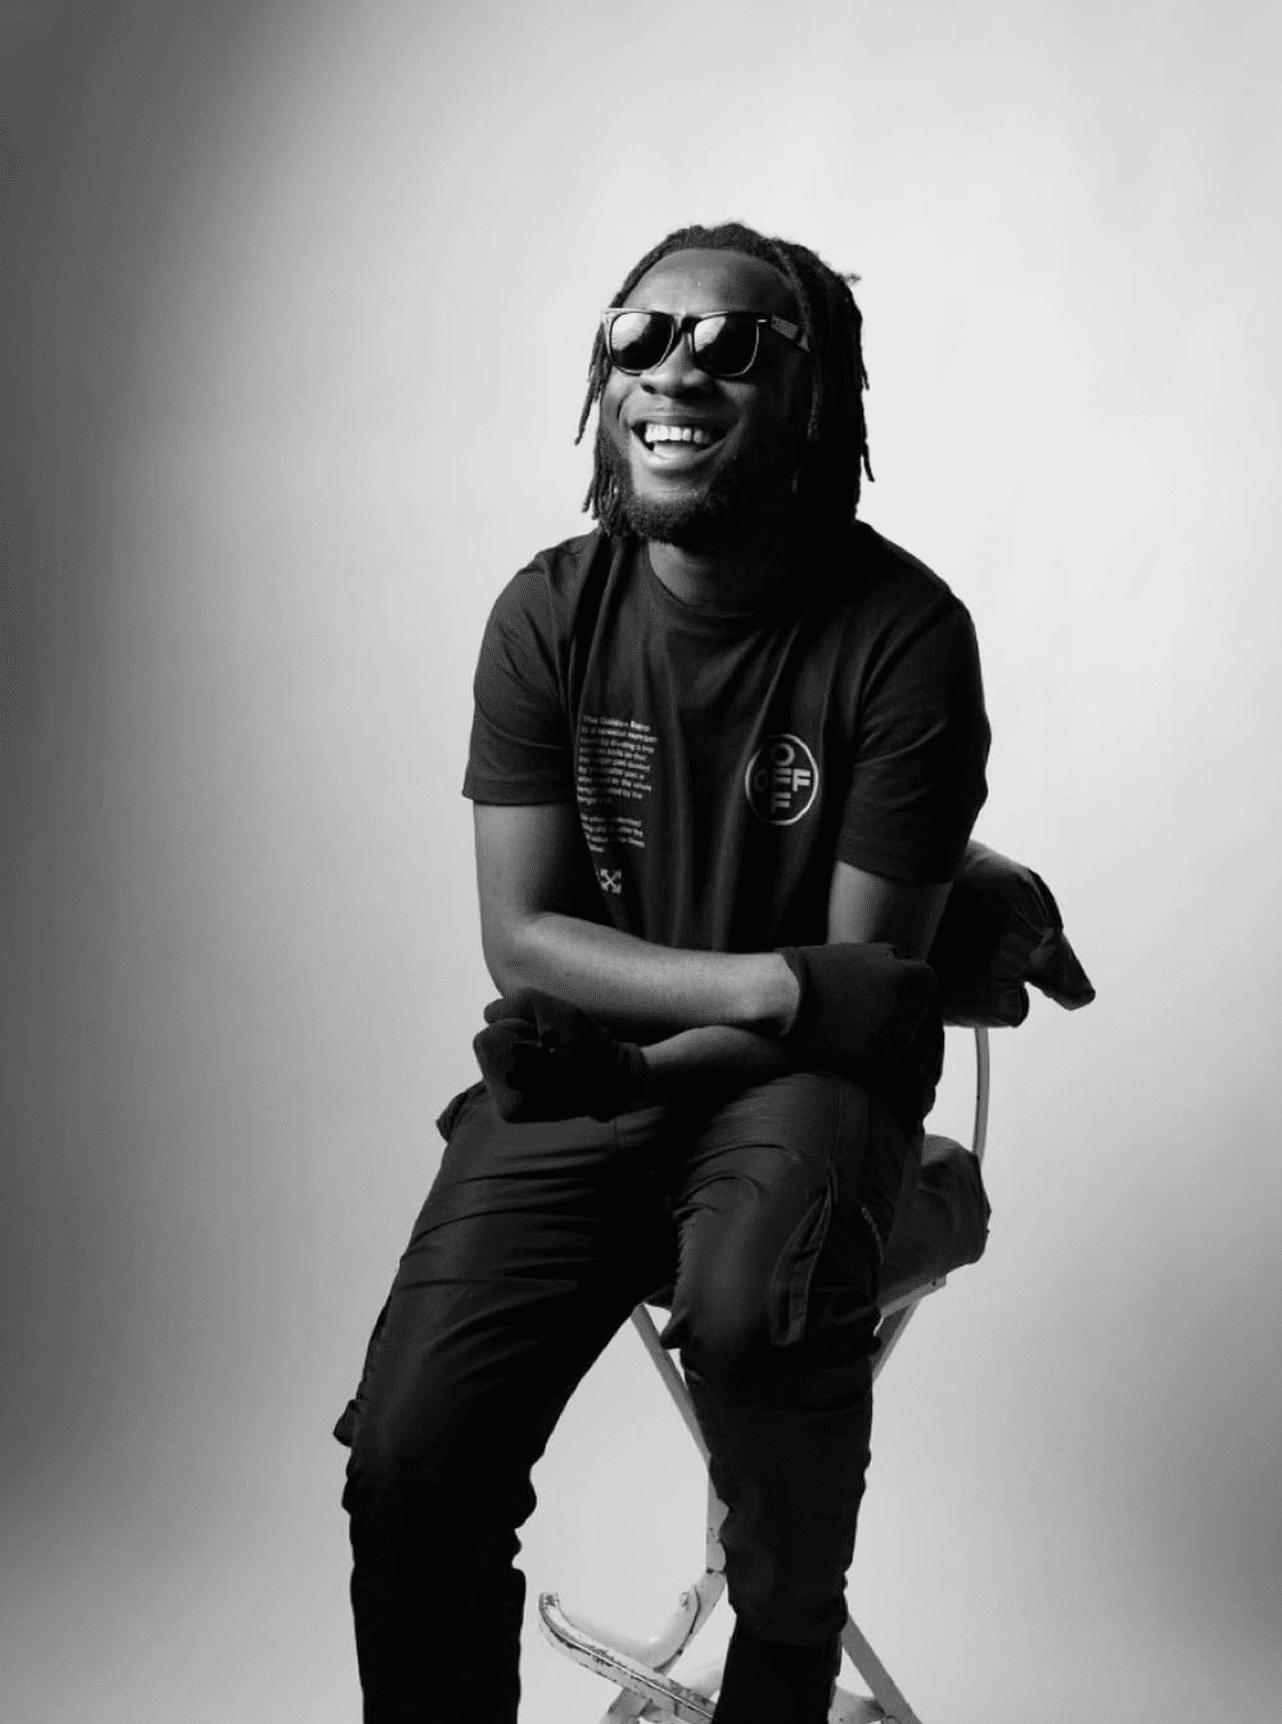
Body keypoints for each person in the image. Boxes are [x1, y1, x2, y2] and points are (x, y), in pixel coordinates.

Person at [336, 220, 991, 1723]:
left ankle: (775, 1673)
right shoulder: (548, 617)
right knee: (410, 1457)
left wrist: (675, 1039)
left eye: (735, 341)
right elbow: (527, 941)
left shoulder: (902, 637)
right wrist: (766, 986)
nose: (674, 367)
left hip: (804, 1094)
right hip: (610, 1079)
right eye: (641, 334)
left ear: (812, 401)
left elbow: (867, 1000)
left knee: (755, 1313)